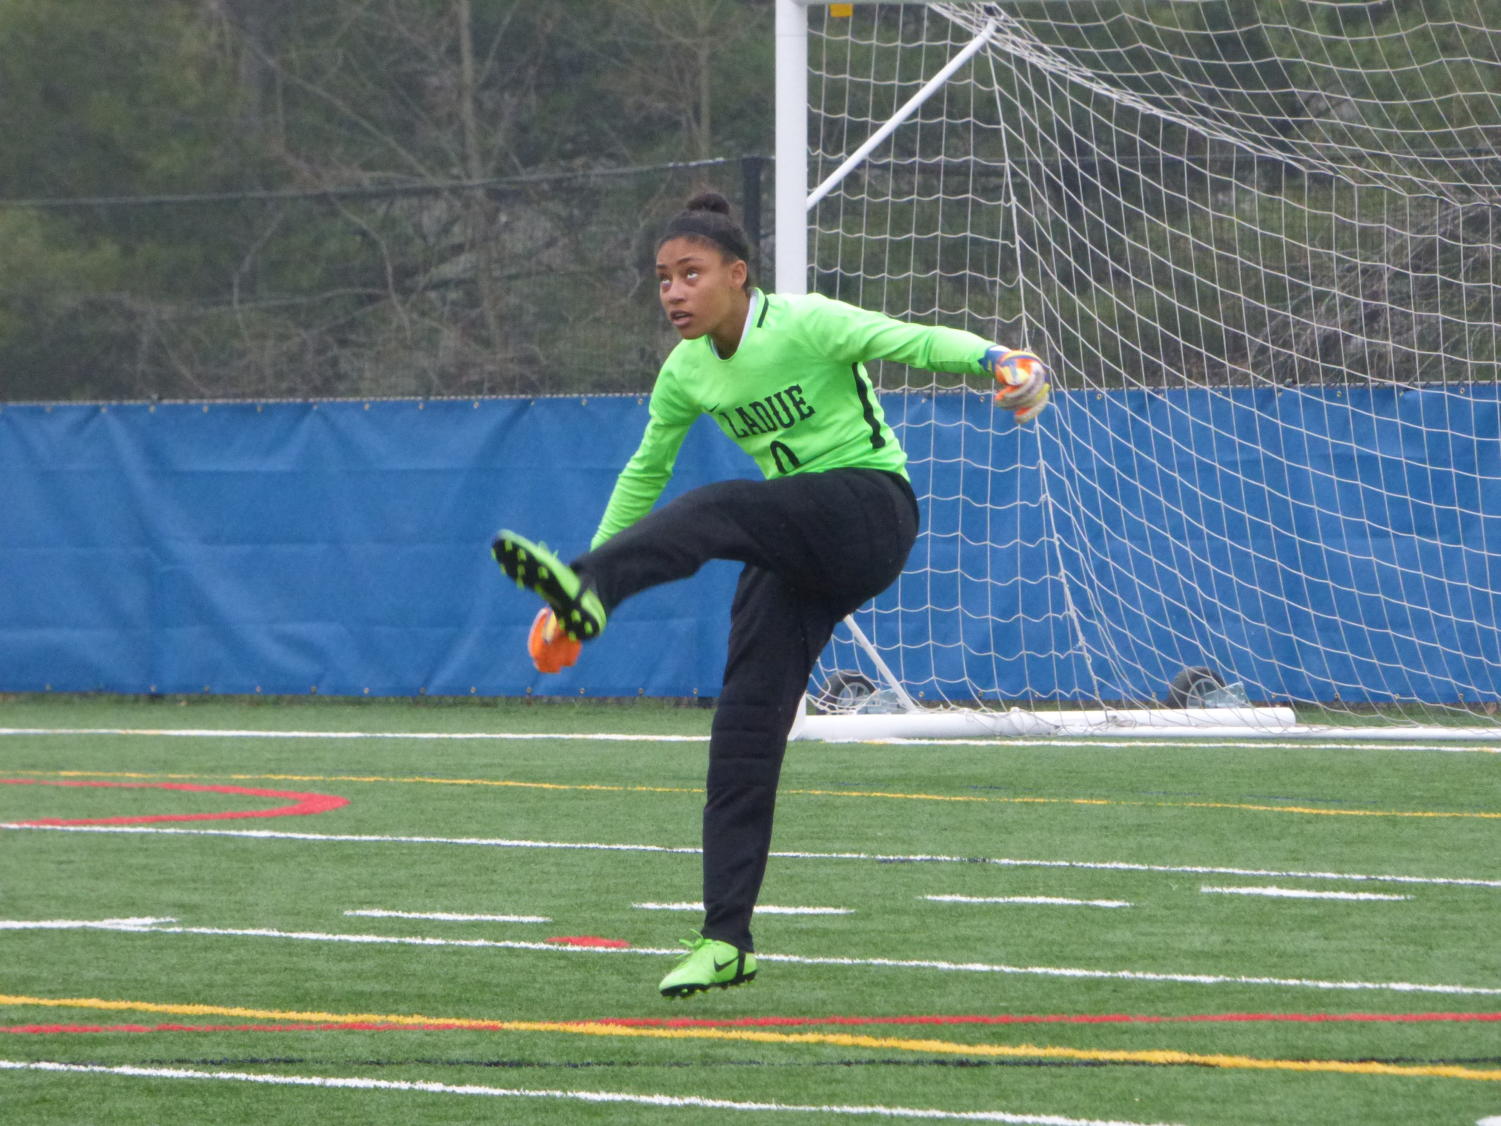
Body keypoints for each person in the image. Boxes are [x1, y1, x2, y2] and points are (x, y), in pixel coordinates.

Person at [492, 190, 1049, 998]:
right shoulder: (684, 371)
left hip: (866, 512)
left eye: (691, 274)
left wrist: (999, 360)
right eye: (661, 279)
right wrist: (592, 565)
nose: (674, 292)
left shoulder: (803, 321)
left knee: (722, 506)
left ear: (738, 275)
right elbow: (643, 472)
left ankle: (588, 594)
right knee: (741, 736)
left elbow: (913, 340)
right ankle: (727, 938)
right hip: (793, 548)